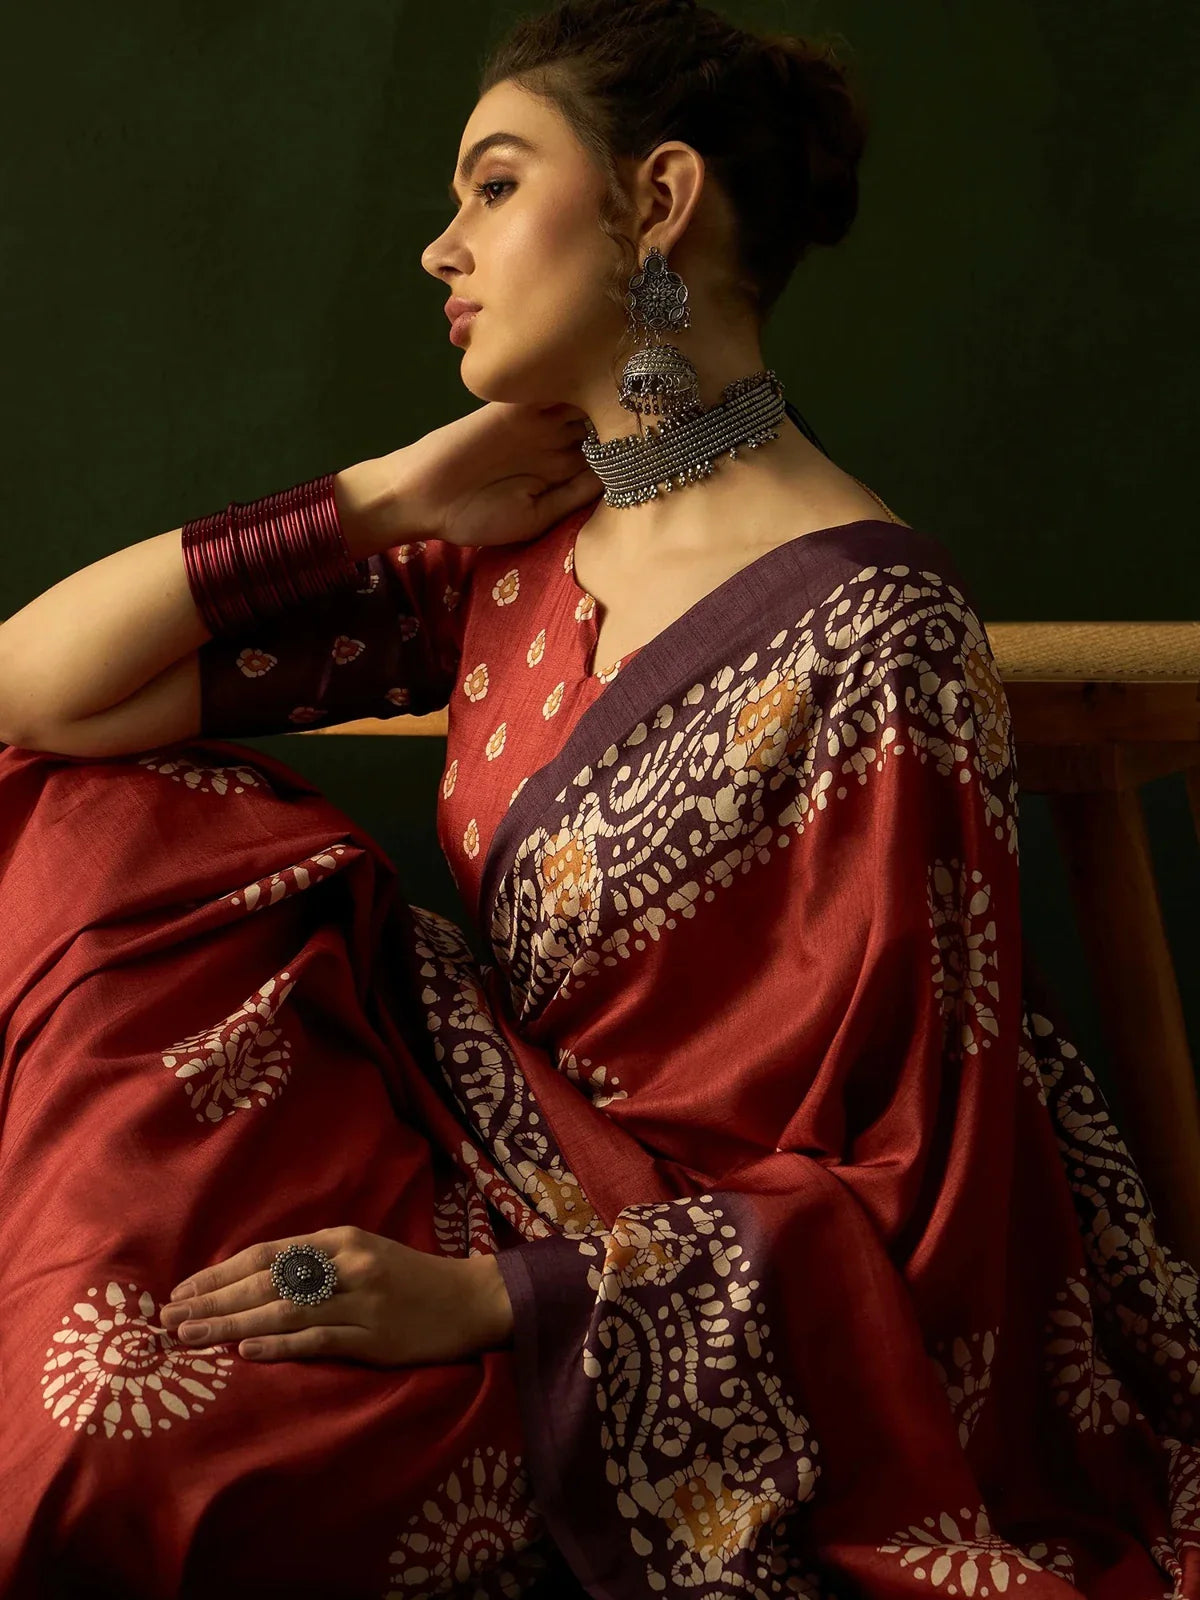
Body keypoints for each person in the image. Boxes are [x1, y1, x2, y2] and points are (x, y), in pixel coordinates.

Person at [0, 1, 1196, 1595]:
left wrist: (493, 1299)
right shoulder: (511, 550)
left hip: (659, 1304)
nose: (440, 249)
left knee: (109, 1460)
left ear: (660, 200)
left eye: (494, 186)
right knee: (73, 814)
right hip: (459, 1142)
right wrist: (378, 497)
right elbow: (35, 697)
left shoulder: (878, 636)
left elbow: (921, 1188)